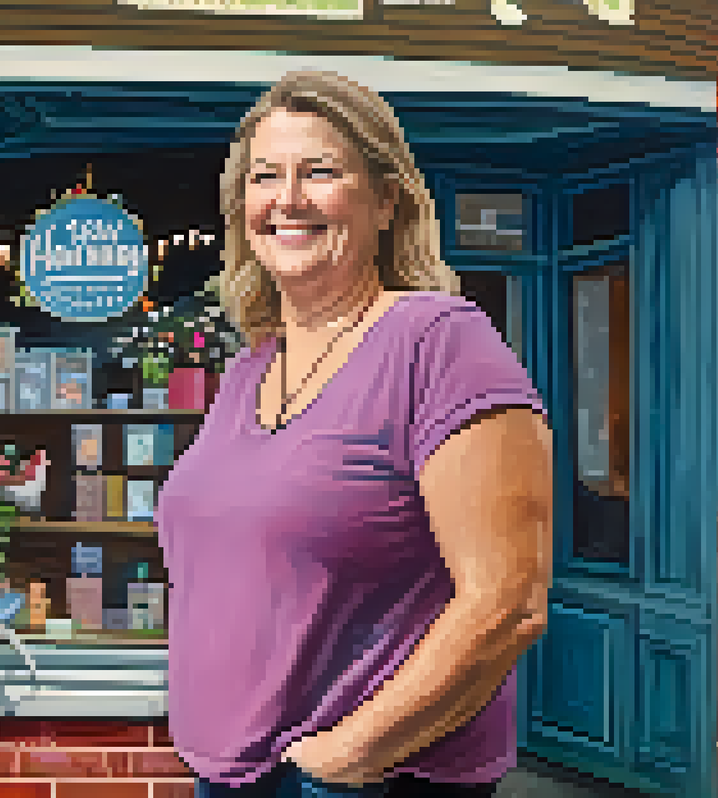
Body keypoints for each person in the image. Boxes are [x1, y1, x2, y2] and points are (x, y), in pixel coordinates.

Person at [156, 70, 554, 798]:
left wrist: (344, 759)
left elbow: (508, 603)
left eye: (320, 172)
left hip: (357, 780)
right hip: (232, 771)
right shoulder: (252, 367)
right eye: (265, 176)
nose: (288, 199)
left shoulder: (437, 341)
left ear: (385, 199)